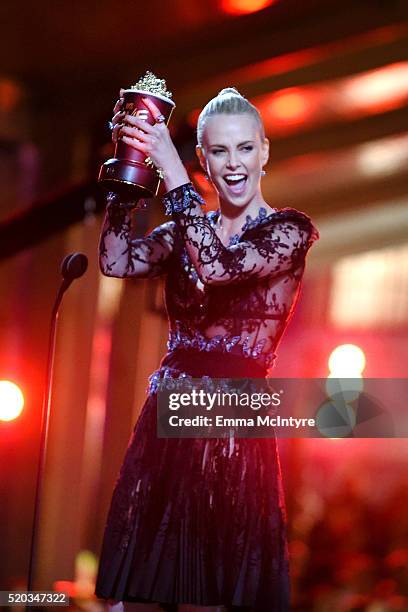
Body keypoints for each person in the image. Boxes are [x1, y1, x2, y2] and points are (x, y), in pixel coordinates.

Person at [94, 87, 319, 612]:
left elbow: (220, 268)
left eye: (244, 148)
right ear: (205, 158)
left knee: (207, 593)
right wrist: (129, 179)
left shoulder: (289, 231)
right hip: (167, 417)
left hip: (230, 423)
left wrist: (172, 172)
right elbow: (116, 262)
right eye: (219, 151)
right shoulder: (184, 232)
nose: (234, 163)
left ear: (264, 150)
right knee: (138, 596)